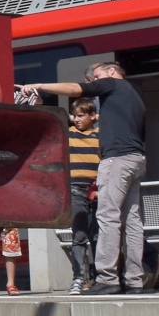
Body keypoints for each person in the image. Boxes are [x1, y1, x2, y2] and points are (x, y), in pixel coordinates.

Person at [32, 61, 146, 294]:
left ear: (113, 72)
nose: (94, 81)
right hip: (137, 159)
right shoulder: (135, 97)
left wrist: (41, 85)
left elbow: (76, 89)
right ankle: (135, 280)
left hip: (117, 159)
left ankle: (107, 278)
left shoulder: (112, 85)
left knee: (107, 217)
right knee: (132, 222)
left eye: (97, 76)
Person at [65, 97, 101, 294]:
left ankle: (98, 277)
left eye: (81, 115)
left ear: (93, 116)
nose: (76, 119)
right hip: (75, 188)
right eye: (74, 115)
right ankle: (78, 277)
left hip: (96, 189)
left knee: (97, 235)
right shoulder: (69, 134)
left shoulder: (99, 135)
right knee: (79, 235)